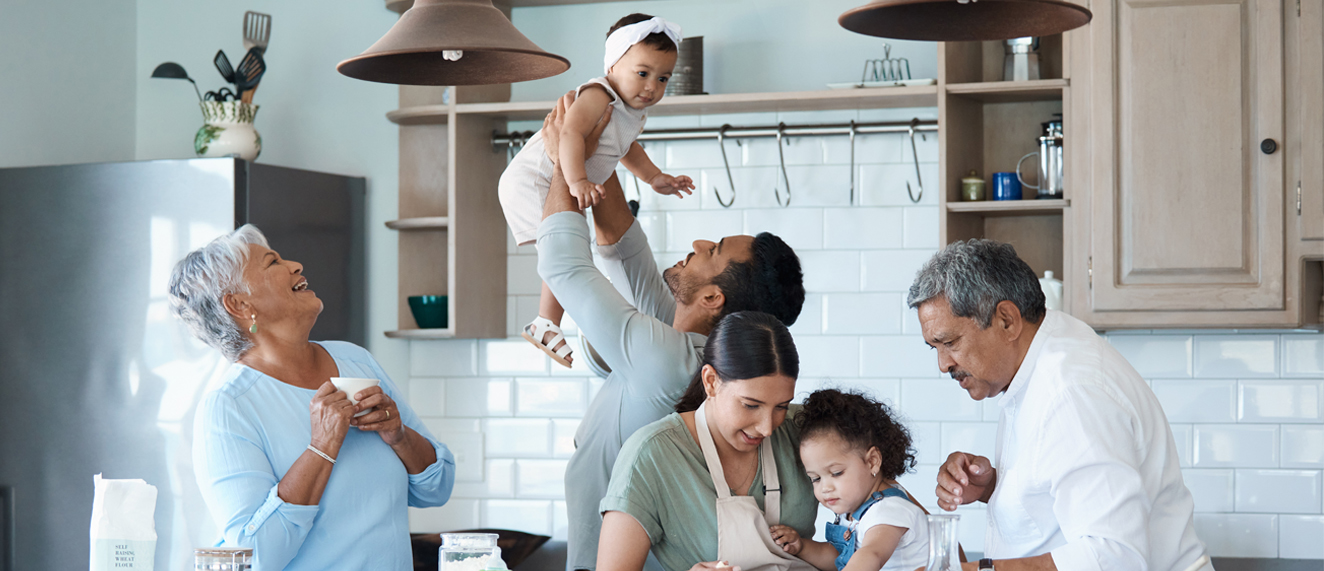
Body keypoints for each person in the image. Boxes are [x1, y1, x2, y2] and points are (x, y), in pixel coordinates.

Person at [535, 92, 806, 571]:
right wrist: (596, 142)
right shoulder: (679, 337)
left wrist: (563, 165)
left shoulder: (669, 362)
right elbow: (622, 242)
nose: (699, 242)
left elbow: (563, 264)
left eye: (715, 249)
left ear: (712, 299)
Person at [907, 240, 1212, 571]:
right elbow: (1062, 494)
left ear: (1006, 320)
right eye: (933, 347)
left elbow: (1113, 555)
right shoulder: (1041, 359)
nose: (942, 364)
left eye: (950, 343)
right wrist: (995, 486)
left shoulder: (1071, 391)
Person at [170, 225, 455, 571]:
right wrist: (321, 448)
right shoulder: (229, 408)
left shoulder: (355, 361)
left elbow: (437, 488)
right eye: (273, 262)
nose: (295, 265)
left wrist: (399, 435)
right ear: (241, 304)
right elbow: (256, 556)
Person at [499, 12, 695, 368]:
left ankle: (547, 322)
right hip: (534, 179)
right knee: (564, 252)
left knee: (567, 251)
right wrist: (576, 181)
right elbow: (570, 133)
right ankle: (545, 322)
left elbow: (626, 148)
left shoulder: (631, 111)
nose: (652, 86)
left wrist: (653, 177)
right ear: (612, 65)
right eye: (642, 73)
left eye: (663, 78)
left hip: (560, 179)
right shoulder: (597, 94)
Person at [598, 312, 819, 571]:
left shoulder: (804, 430)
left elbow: (873, 503)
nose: (767, 427)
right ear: (711, 382)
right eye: (750, 405)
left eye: (781, 406)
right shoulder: (650, 455)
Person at [768, 389, 931, 571]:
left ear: (872, 461)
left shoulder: (889, 510)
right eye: (815, 478)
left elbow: (871, 554)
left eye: (836, 473)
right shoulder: (854, 512)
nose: (825, 488)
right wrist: (802, 547)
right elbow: (840, 559)